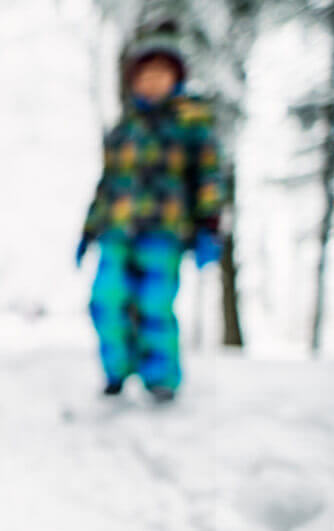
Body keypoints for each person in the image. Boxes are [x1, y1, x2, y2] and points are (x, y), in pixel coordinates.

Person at [77, 21, 224, 403]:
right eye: (145, 74)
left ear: (175, 78)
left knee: (155, 304)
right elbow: (108, 183)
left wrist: (210, 222)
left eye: (161, 73)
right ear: (133, 80)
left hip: (165, 231)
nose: (153, 81)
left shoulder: (191, 122)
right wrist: (88, 230)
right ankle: (117, 369)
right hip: (118, 229)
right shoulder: (123, 130)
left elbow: (208, 174)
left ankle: (160, 376)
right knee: (106, 299)